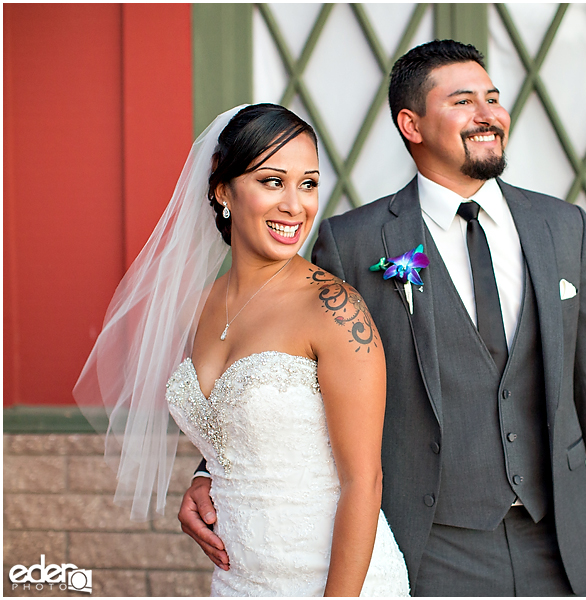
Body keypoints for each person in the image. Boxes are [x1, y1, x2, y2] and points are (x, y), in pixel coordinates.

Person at [181, 40, 586, 596]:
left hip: (553, 539)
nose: (488, 115)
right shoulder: (353, 240)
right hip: (425, 542)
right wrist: (209, 469)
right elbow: (292, 369)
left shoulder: (565, 227)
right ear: (411, 123)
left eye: (493, 98)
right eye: (463, 101)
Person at [74, 104, 410, 596]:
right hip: (239, 581)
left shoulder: (335, 310)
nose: (296, 205)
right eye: (273, 181)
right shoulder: (198, 308)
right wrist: (204, 476)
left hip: (336, 581)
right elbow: (237, 436)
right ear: (222, 189)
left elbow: (365, 483)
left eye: (309, 183)